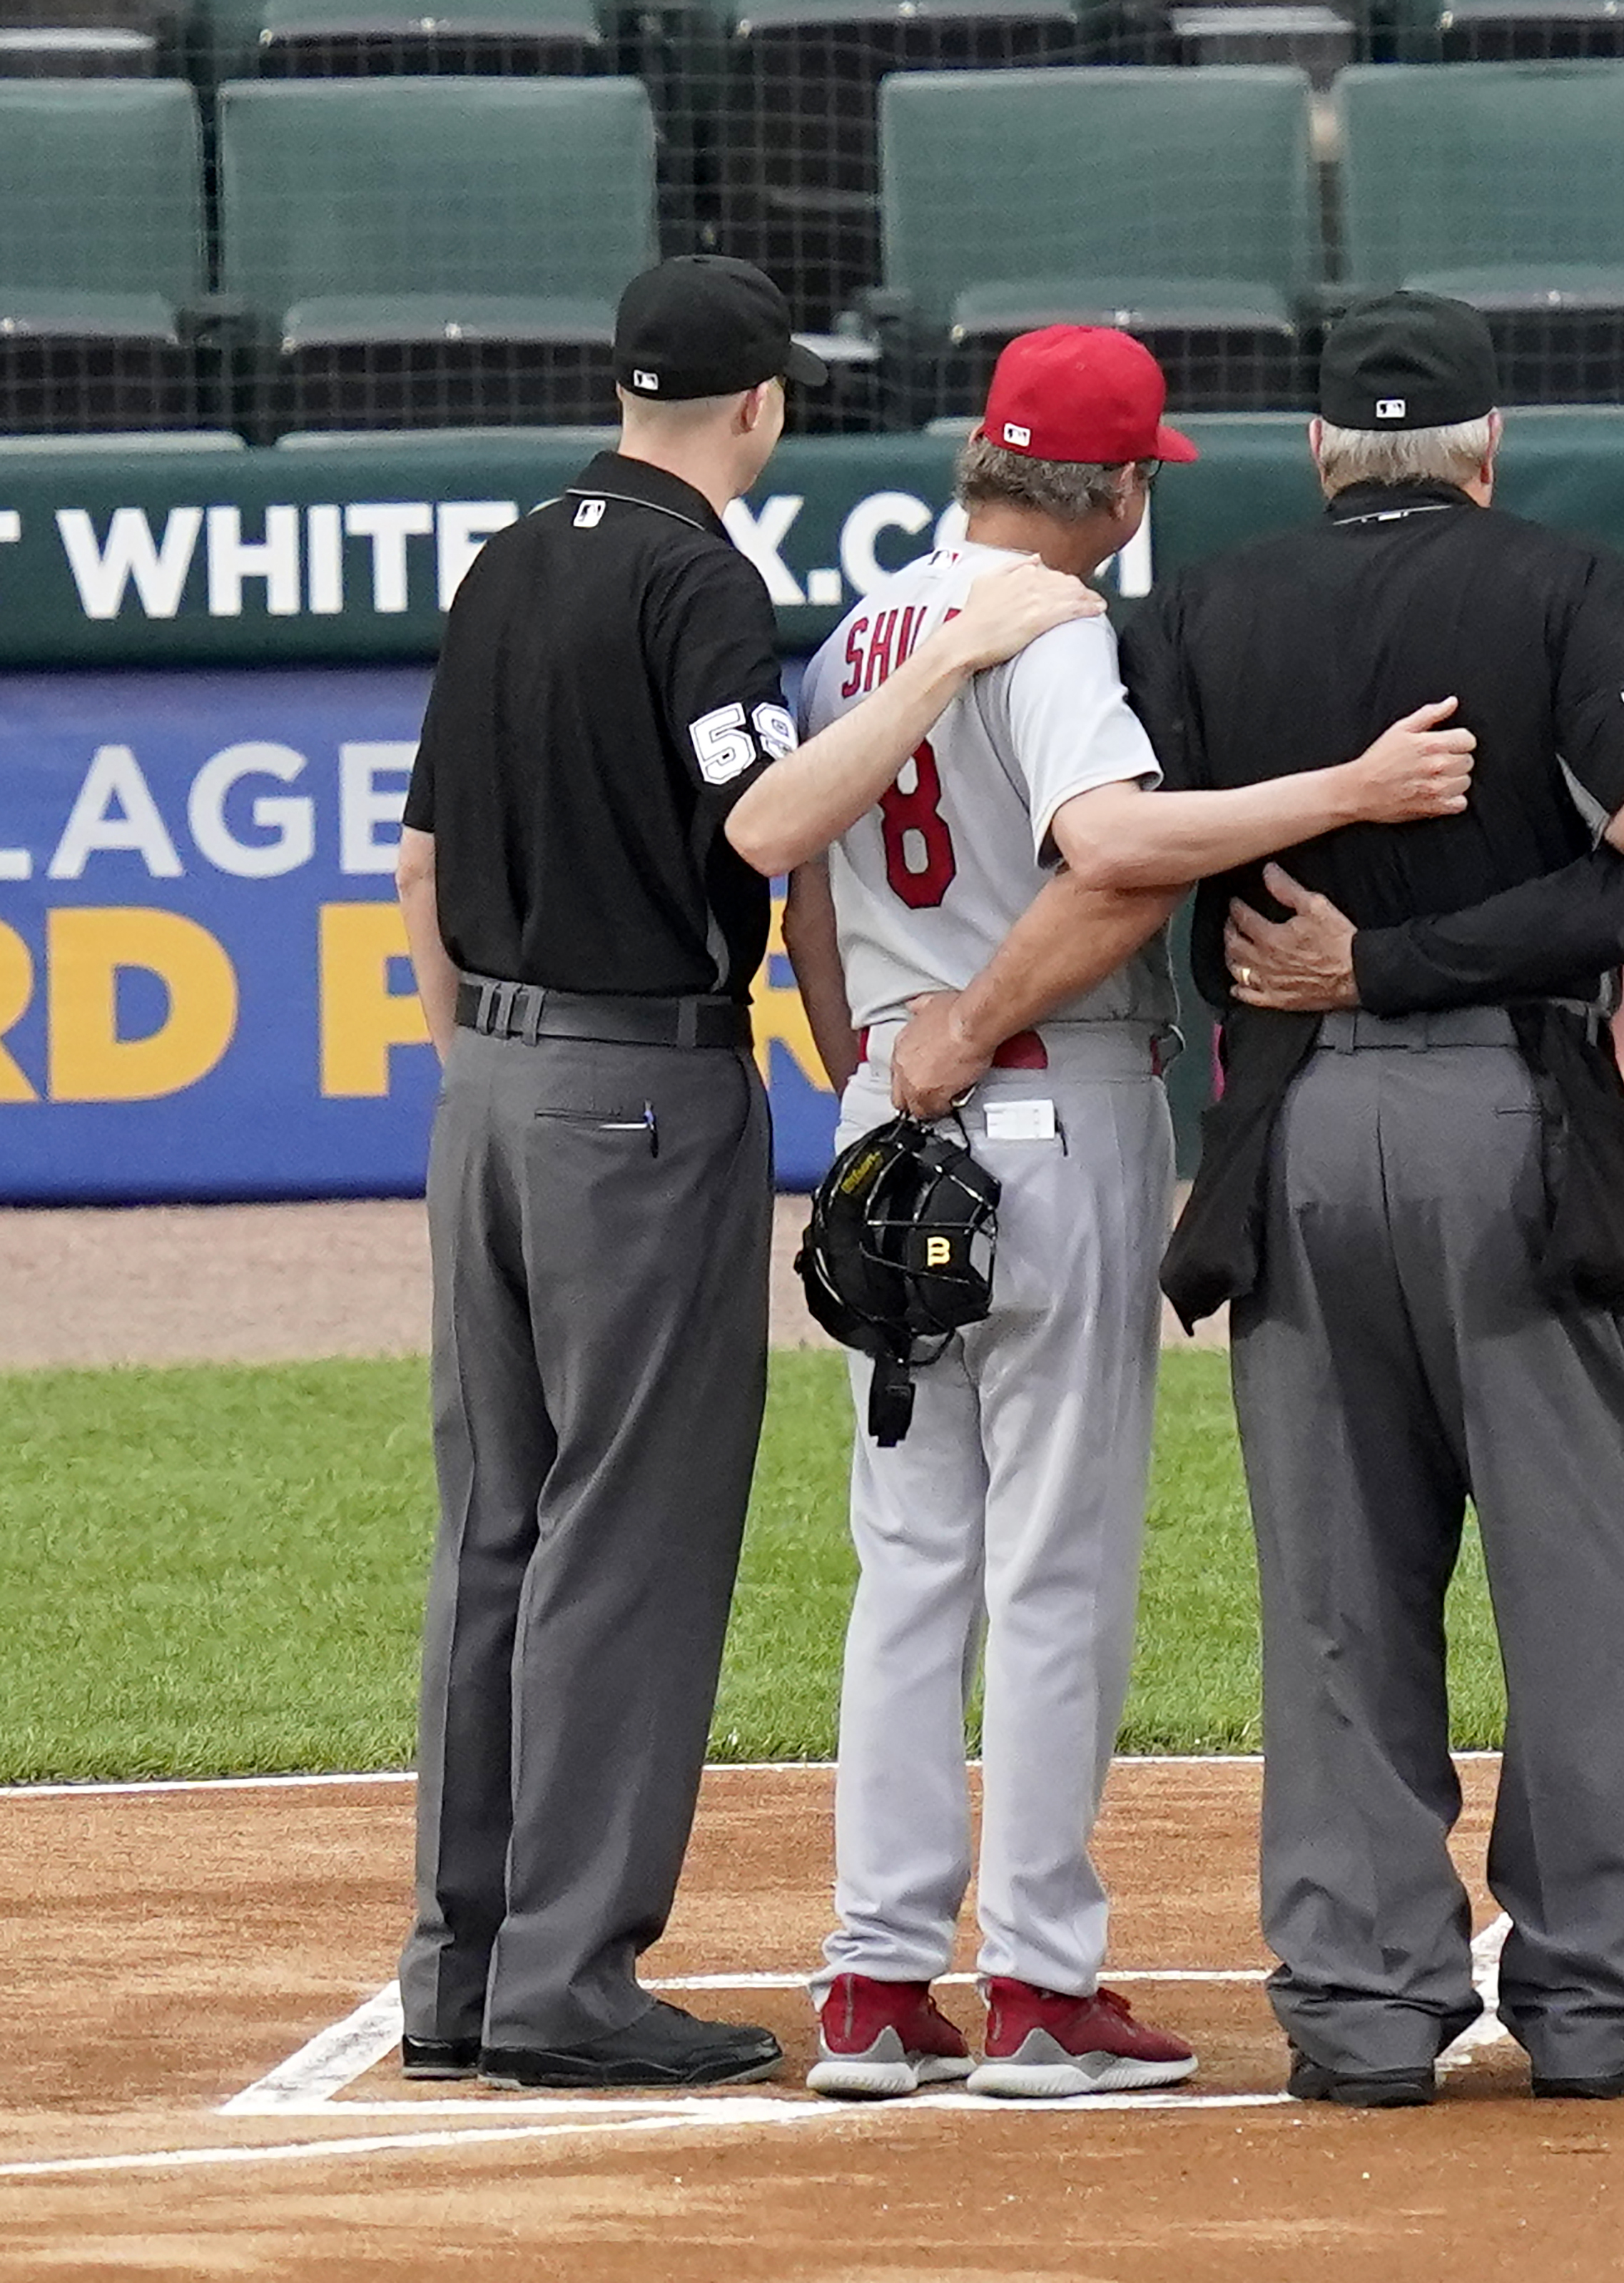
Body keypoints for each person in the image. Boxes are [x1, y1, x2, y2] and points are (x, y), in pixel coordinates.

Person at [1100, 292, 1624, 2109]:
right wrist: (1404, 962)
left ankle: (1361, 2006)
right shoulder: (1571, 585)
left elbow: (1116, 845)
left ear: (1318, 451)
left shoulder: (1207, 606)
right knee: (1591, 1588)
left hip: (1288, 1134)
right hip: (1515, 1123)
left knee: (1335, 1593)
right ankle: (1601, 2001)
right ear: (1487, 452)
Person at [390, 255, 1101, 2092]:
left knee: (496, 1532)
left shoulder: (510, 554)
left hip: (486, 1086)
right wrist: (952, 654)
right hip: (634, 1092)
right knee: (626, 1529)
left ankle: (460, 1971)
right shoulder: (692, 573)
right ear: (762, 408)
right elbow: (773, 820)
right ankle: (566, 1980)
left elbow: (420, 863)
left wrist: (483, 1062)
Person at [773, 328, 1481, 2102]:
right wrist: (1343, 792)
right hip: (1043, 1095)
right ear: (1114, 488)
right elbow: (1111, 844)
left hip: (891, 1095)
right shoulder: (1057, 624)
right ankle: (1036, 1988)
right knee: (1054, 1566)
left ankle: (870, 1987)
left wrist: (870, 1060)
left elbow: (803, 883)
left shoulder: (867, 627)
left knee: (910, 1560)